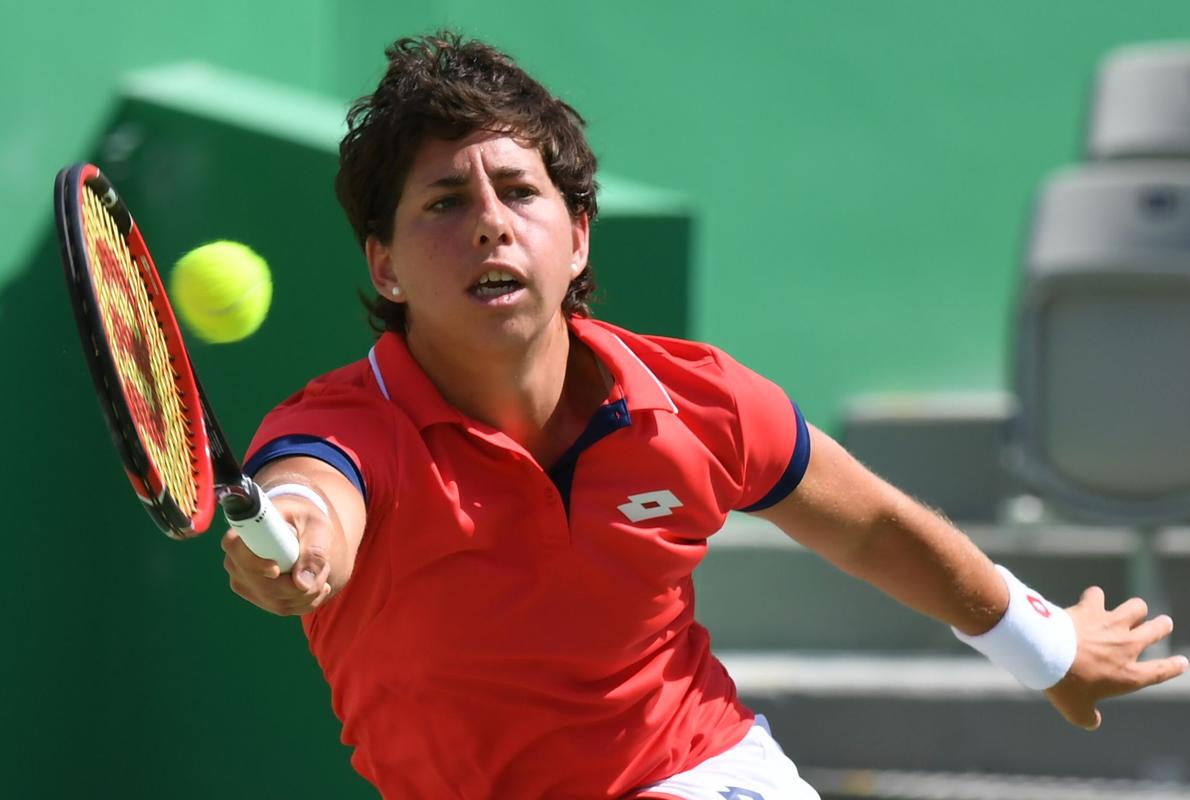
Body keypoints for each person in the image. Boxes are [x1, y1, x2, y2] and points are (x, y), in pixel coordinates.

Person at [222, 31, 1188, 800]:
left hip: (699, 773)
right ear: (383, 263)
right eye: (442, 202)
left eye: (520, 191)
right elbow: (313, 497)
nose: (489, 221)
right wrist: (301, 541)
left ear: (577, 236)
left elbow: (877, 529)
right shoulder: (346, 429)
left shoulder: (701, 400)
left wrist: (1047, 648)